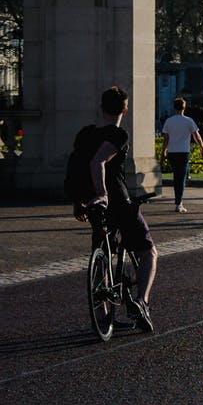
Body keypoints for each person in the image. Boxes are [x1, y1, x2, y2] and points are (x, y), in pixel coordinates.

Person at [64, 85, 158, 331]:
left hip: (90, 202)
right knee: (148, 250)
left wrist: (77, 201)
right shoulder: (119, 135)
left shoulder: (85, 134)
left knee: (102, 256)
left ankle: (105, 317)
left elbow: (76, 166)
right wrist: (103, 193)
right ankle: (142, 302)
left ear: (101, 107)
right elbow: (98, 162)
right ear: (125, 110)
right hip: (116, 200)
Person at [160, 97, 203, 213]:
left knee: (178, 177)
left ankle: (179, 200)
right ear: (184, 107)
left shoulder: (169, 121)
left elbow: (166, 138)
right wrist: (202, 147)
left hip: (172, 152)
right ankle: (178, 203)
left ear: (174, 108)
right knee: (180, 178)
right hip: (184, 152)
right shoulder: (188, 120)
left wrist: (163, 152)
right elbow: (196, 136)